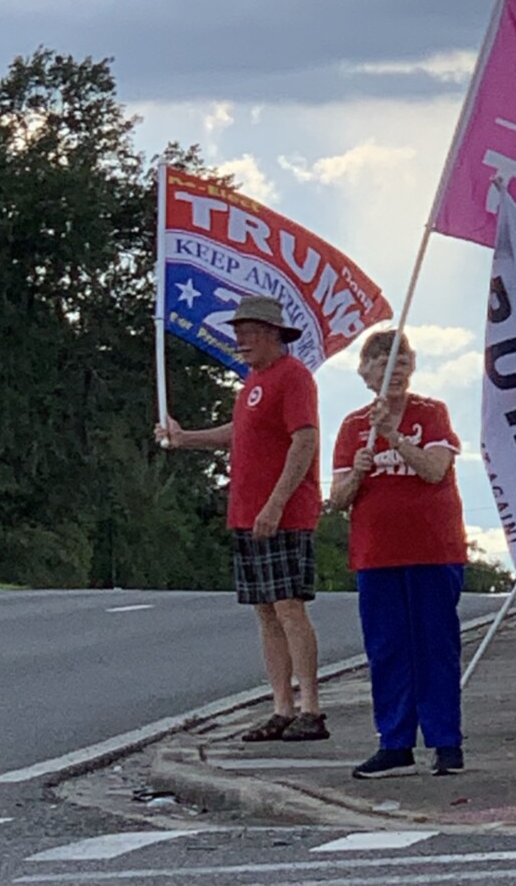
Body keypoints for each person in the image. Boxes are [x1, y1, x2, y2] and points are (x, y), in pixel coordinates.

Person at [155, 294, 328, 742]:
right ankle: (281, 707)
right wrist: (186, 438)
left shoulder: (294, 377)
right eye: (238, 333)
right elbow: (240, 433)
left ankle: (310, 706)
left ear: (272, 334)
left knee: (289, 605)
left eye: (249, 333)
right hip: (247, 512)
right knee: (265, 610)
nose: (240, 341)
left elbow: (304, 441)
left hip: (283, 512)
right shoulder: (253, 381)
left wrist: (275, 503)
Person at [330, 330, 468, 778]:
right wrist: (357, 473)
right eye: (380, 358)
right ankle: (395, 742)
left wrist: (394, 437)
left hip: (431, 548)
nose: (393, 366)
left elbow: (434, 469)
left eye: (402, 358)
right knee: (388, 649)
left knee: (435, 646)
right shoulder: (353, 426)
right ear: (364, 370)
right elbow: (337, 498)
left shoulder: (431, 414)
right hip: (377, 553)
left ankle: (446, 741)